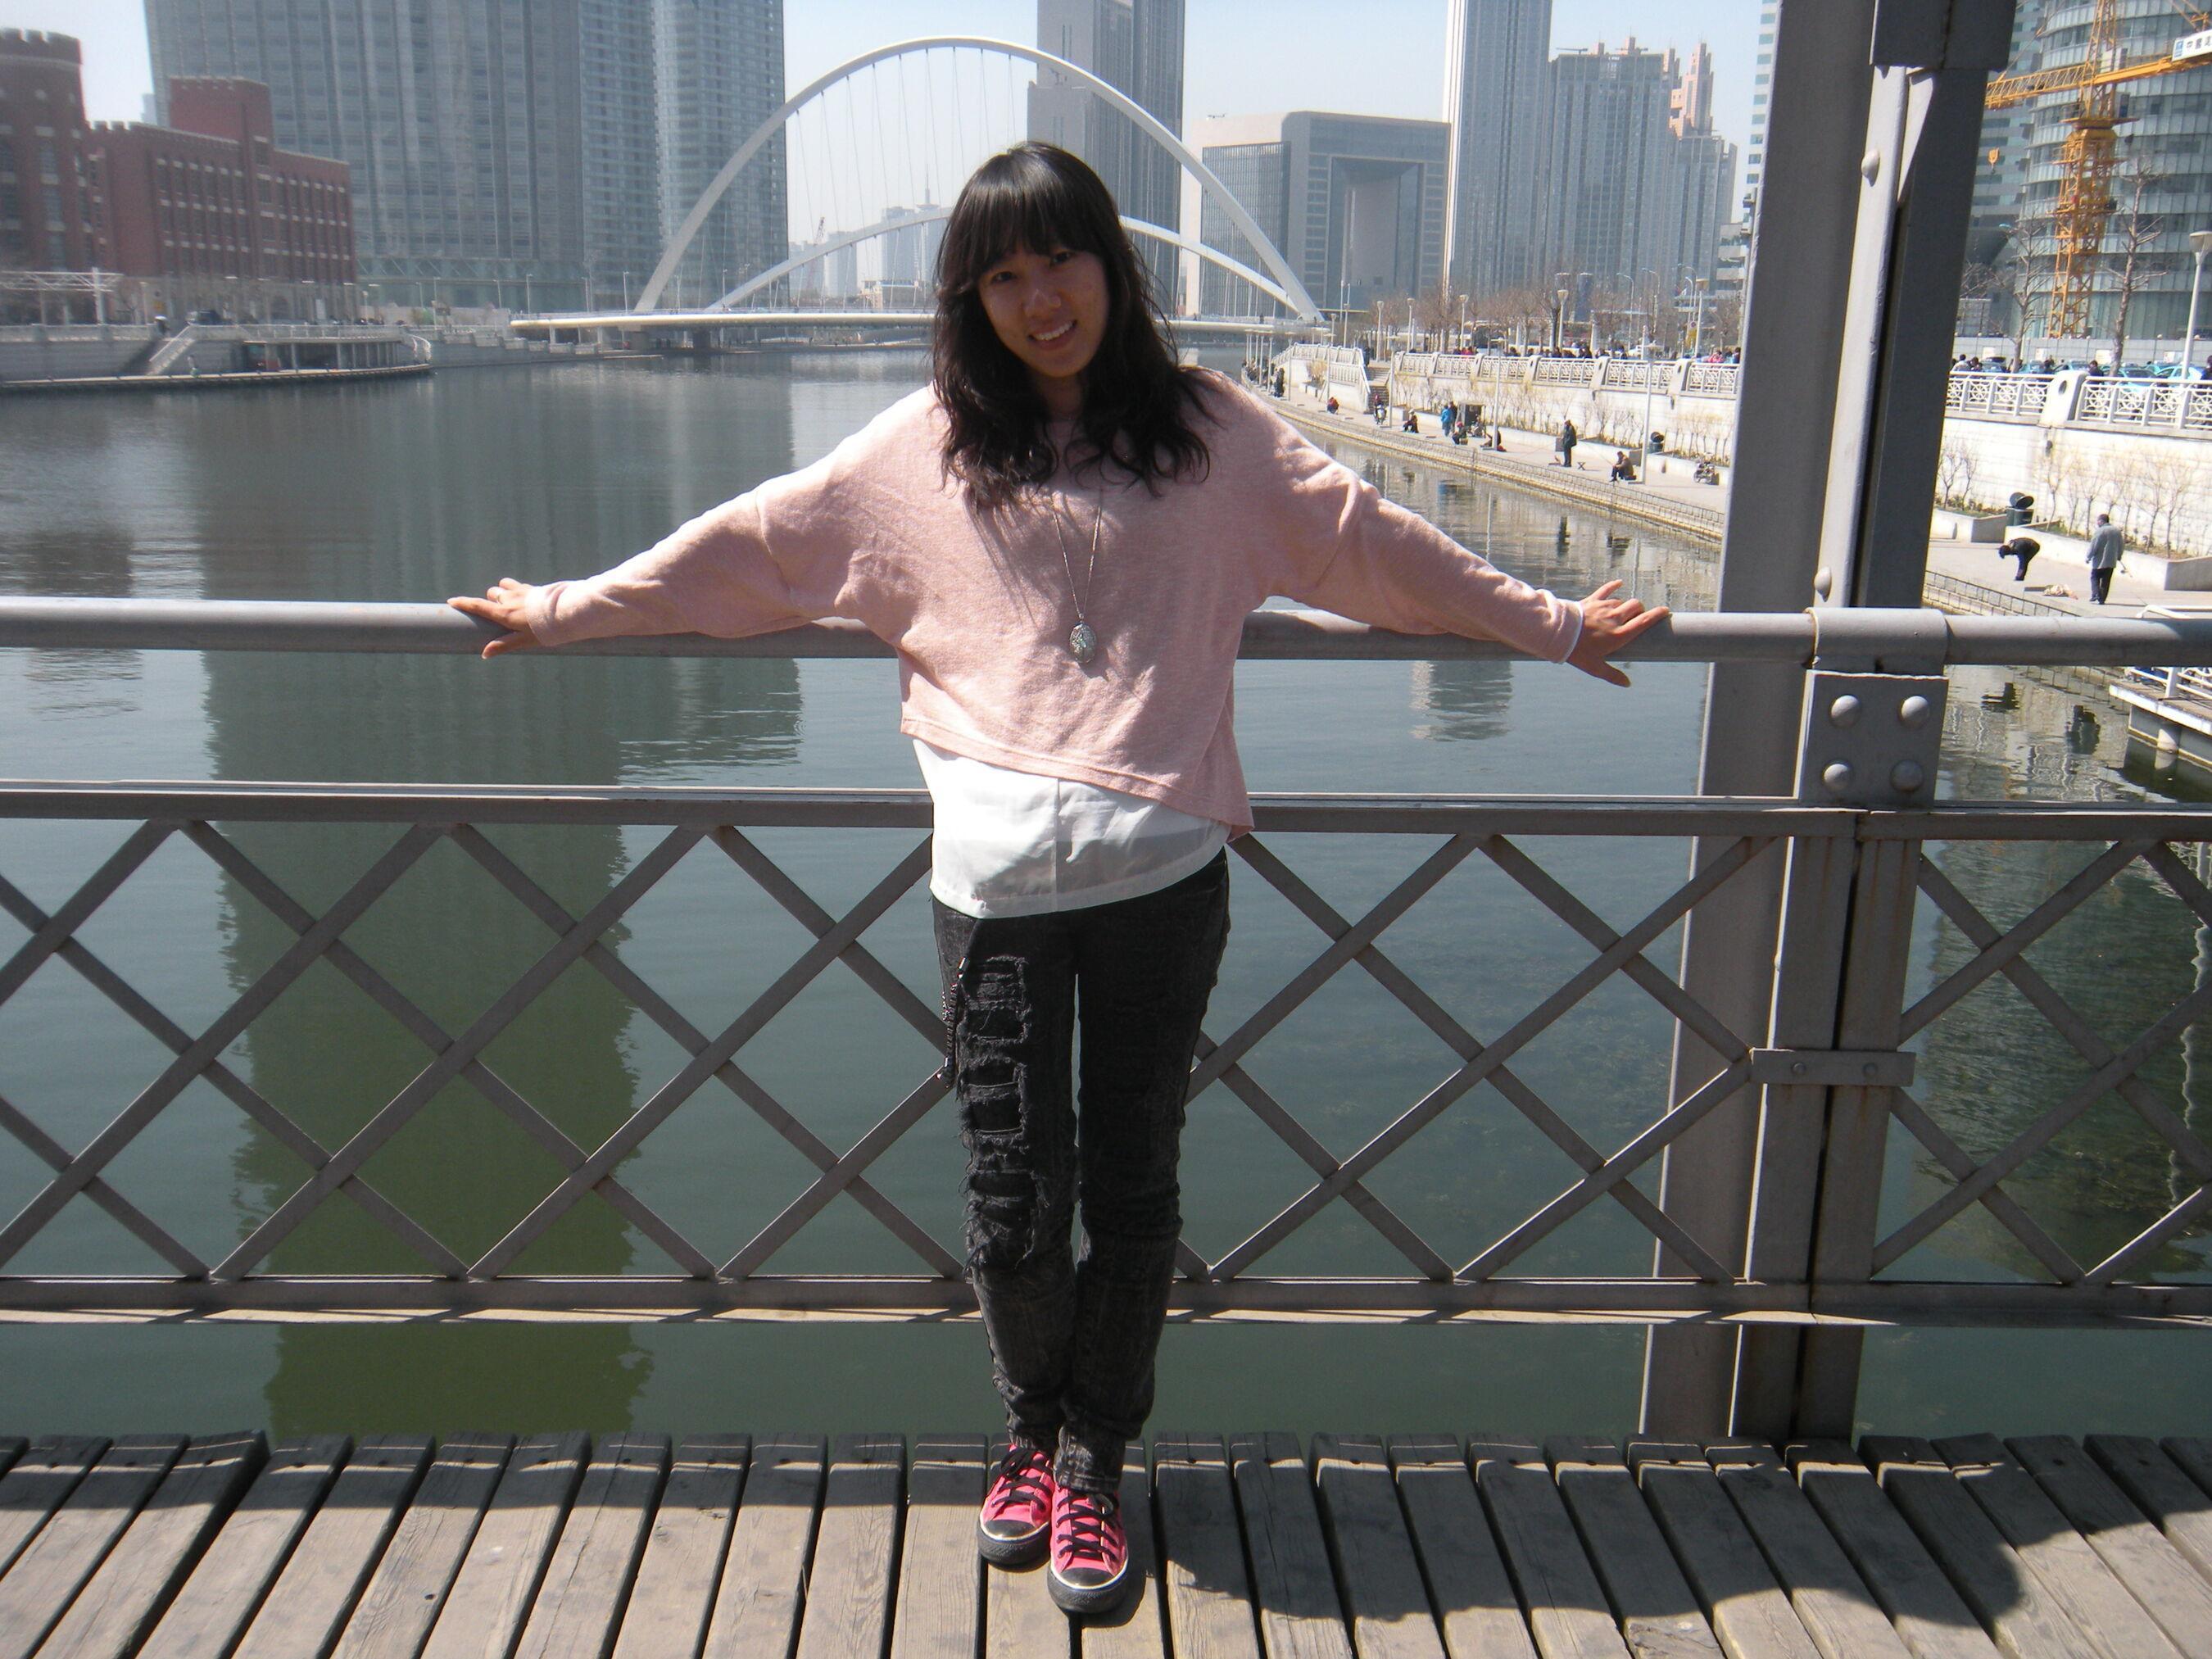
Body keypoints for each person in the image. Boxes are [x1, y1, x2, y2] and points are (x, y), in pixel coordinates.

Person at [446, 142, 1661, 1619]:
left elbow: (1369, 547)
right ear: (971, 299)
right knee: (1016, 1198)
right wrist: (566, 611)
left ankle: (1097, 1457)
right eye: (1004, 276)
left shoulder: (1213, 435)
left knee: (1135, 1188)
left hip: (1163, 883)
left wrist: (1550, 625)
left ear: (1112, 266)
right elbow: (755, 548)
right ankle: (1028, 1431)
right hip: (996, 896)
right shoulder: (924, 450)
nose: (1040, 300)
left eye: (1061, 261)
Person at [2087, 514, 2124, 605]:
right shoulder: (2117, 531)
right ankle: (2102, 599)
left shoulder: (2100, 531)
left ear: (2101, 521)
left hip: (2099, 561)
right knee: (2106, 581)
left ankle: (2096, 594)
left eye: (2098, 521)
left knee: (2095, 577)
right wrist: (2119, 556)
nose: (2097, 523)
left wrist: (2089, 556)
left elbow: (2094, 545)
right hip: (2111, 561)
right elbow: (2121, 546)